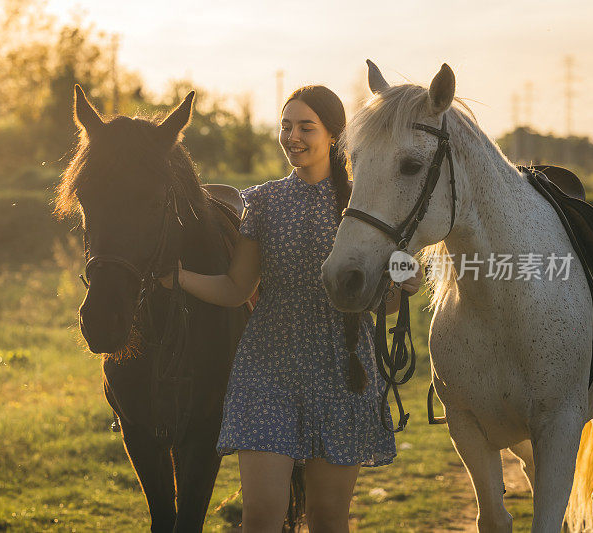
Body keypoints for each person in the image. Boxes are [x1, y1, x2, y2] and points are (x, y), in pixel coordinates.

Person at [159, 86, 423, 532]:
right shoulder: (262, 202)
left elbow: (384, 304)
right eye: (286, 126)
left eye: (306, 127)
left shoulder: (362, 205)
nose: (292, 136)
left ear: (334, 135)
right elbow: (235, 286)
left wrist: (404, 286)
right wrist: (178, 278)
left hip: (343, 371)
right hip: (268, 369)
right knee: (261, 516)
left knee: (327, 517)